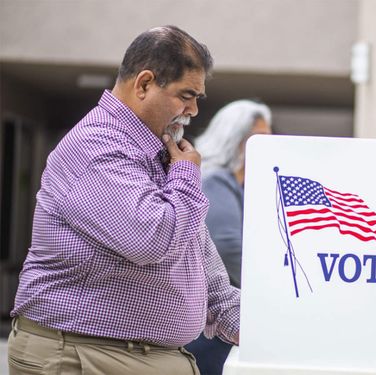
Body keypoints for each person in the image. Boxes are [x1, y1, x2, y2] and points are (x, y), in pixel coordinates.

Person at [7, 25, 239, 375]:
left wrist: (275, 326)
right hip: (84, 355)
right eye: (186, 95)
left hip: (131, 355)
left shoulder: (159, 154)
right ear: (144, 84)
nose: (192, 110)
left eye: (197, 98)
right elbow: (153, 239)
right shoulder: (97, 148)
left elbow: (204, 268)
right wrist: (187, 174)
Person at [186, 100, 272, 375]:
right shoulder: (216, 181)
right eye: (259, 139)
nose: (267, 147)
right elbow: (228, 246)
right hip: (214, 329)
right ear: (235, 140)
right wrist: (274, 291)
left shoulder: (238, 186)